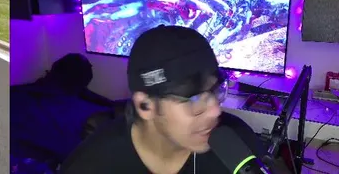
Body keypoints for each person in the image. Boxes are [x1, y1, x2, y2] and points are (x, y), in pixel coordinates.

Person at [60, 25, 285, 174]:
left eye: (216, 90)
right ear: (145, 106)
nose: (215, 111)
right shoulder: (92, 165)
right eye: (193, 99)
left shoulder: (237, 143)